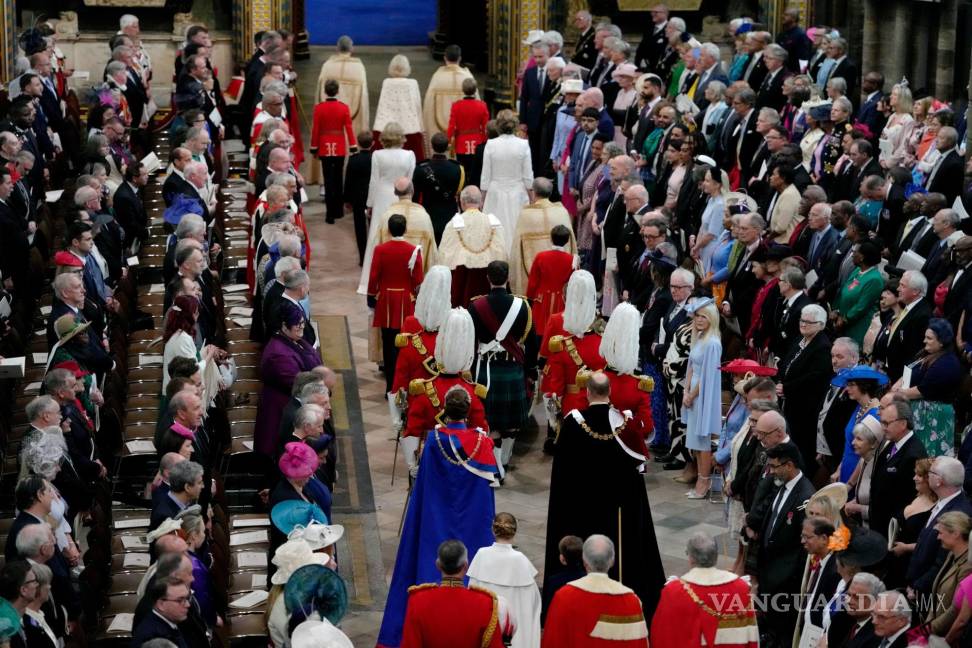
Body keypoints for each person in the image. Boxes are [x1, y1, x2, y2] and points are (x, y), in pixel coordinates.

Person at [377, 388, 499, 648]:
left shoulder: (434, 441)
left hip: (435, 512)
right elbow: (488, 490)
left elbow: (424, 483)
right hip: (472, 517)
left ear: (445, 409)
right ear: (468, 411)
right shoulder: (483, 442)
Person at [543, 372, 665, 618]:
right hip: (618, 510)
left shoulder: (573, 422)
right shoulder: (625, 424)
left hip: (580, 505)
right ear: (610, 393)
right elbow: (636, 471)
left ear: (587, 392)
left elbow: (562, 472)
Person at [401, 307, 488, 475]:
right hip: (462, 464)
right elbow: (481, 433)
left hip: (430, 462)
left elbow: (412, 431)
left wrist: (413, 466)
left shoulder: (423, 393)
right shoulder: (472, 394)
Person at [469, 261, 532, 478]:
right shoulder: (522, 306)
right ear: (508, 278)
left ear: (488, 278)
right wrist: (530, 370)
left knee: (492, 421)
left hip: (485, 369)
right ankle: (503, 460)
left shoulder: (476, 306)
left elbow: (471, 340)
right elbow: (527, 340)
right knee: (511, 422)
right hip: (512, 368)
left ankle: (497, 464)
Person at [650, 532, 758, 648]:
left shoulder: (673, 591)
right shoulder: (740, 588)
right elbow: (751, 635)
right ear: (716, 556)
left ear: (691, 558)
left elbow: (661, 635)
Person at [542, 535, 650, 647]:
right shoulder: (632, 601)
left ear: (584, 561)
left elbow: (552, 641)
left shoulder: (564, 596)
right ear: (612, 561)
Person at [756, 441, 815, 644]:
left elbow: (804, 545)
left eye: (774, 466)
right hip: (770, 573)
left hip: (786, 580)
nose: (771, 472)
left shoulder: (805, 496)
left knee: (782, 632)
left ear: (789, 465)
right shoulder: (782, 486)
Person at [399, 540, 503, 648]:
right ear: (465, 566)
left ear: (438, 565)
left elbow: (410, 644)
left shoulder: (418, 600)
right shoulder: (485, 603)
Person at [254, 302, 321, 457]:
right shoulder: (279, 354)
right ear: (284, 326)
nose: (301, 327)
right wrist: (319, 382)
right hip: (280, 410)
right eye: (296, 325)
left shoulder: (293, 340)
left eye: (302, 323)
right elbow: (297, 383)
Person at [367, 213, 425, 393]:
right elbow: (418, 280)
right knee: (405, 346)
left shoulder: (380, 250)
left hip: (386, 301)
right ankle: (403, 386)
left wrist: (370, 295)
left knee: (388, 344)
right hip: (407, 303)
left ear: (389, 230)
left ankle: (390, 387)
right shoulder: (414, 250)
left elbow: (374, 276)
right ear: (405, 229)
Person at [889, 318, 963, 457]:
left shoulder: (947, 364)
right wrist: (897, 386)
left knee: (927, 456)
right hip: (917, 412)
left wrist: (896, 393)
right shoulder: (927, 353)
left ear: (941, 341)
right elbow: (909, 370)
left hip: (932, 417)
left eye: (929, 338)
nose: (924, 341)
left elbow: (921, 391)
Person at [467, 513, 541, 648]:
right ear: (515, 532)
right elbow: (533, 605)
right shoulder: (520, 560)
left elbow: (471, 596)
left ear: (493, 530)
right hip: (516, 640)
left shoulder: (482, 555)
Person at [777, 304, 832, 474]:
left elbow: (815, 377)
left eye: (809, 321)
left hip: (806, 407)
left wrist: (787, 387)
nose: (803, 324)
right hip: (789, 401)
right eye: (802, 320)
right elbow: (787, 363)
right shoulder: (799, 340)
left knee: (801, 446)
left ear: (821, 325)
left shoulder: (822, 346)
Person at [438, 186, 508, 307]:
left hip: (461, 283)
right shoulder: (494, 223)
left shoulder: (453, 224)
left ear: (462, 202)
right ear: (481, 202)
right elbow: (502, 254)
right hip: (489, 281)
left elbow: (444, 258)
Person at [681, 298, 722, 499]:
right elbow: (691, 366)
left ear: (711, 319)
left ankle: (704, 481)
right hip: (693, 393)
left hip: (704, 394)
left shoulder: (713, 343)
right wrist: (686, 390)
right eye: (697, 315)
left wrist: (692, 394)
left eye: (703, 316)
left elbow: (707, 377)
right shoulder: (699, 338)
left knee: (702, 440)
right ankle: (700, 478)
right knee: (695, 441)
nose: (699, 320)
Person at [871, 398, 928, 539]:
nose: (883, 427)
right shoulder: (893, 442)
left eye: (886, 423)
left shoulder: (914, 454)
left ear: (903, 424)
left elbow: (909, 497)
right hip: (879, 524)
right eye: (882, 422)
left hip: (893, 531)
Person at [510, 178, 575, 294]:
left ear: (533, 192)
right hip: (561, 278)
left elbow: (516, 250)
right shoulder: (562, 212)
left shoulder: (526, 215)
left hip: (534, 280)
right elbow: (572, 246)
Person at [481, 110, 533, 251]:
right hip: (518, 192)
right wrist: (532, 196)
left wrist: (482, 199)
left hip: (495, 192)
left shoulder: (491, 144)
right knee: (516, 228)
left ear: (498, 125)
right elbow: (528, 176)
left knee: (494, 231)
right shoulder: (523, 145)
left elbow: (485, 176)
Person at [310, 78, 356, 224]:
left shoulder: (319, 108)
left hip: (324, 147)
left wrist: (314, 146)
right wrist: (353, 145)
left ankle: (329, 214)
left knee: (328, 181)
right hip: (340, 147)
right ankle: (338, 211)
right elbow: (348, 128)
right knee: (338, 179)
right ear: (337, 91)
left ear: (325, 91)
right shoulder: (344, 107)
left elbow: (316, 129)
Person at [792, 516, 841, 648]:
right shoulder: (820, 561)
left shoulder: (836, 570)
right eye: (802, 536)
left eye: (807, 537)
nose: (802, 541)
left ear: (824, 539)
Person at [523, 224, 575, 342]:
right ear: (567, 241)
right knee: (558, 333)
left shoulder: (541, 257)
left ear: (551, 239)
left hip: (541, 301)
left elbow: (532, 283)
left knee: (538, 334)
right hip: (560, 302)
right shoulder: (571, 260)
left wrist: (530, 299)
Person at [412, 132, 464, 244]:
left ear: (431, 146)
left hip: (428, 216)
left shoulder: (420, 169)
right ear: (448, 146)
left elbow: (415, 197)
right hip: (450, 217)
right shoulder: (458, 169)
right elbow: (460, 194)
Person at [833, 240, 884, 347]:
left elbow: (861, 306)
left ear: (862, 258)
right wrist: (837, 311)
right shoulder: (858, 270)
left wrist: (845, 319)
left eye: (855, 252)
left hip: (856, 328)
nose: (852, 255)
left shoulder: (875, 279)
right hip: (841, 321)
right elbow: (845, 289)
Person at [373, 54, 425, 160]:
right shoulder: (413, 83)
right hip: (410, 129)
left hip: (386, 128)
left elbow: (382, 107)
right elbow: (417, 106)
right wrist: (420, 126)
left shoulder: (386, 82)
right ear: (407, 68)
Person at [315, 36, 369, 137]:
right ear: (352, 49)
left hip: (329, 121)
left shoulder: (327, 66)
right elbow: (363, 98)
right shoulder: (358, 68)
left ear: (337, 48)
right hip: (352, 117)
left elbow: (319, 94)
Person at [368, 122, 417, 228]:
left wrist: (370, 204)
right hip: (402, 196)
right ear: (401, 137)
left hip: (381, 196)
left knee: (380, 228)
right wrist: (410, 198)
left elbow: (374, 181)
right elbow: (410, 181)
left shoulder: (377, 155)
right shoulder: (409, 155)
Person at [422, 44, 474, 141]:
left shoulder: (437, 77)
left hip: (440, 134)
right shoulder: (467, 77)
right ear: (460, 58)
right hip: (464, 133)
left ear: (445, 58)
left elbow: (428, 106)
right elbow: (476, 104)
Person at [843, 421, 884, 528]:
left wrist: (856, 508)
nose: (853, 443)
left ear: (874, 444)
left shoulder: (879, 468)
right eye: (854, 438)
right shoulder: (863, 461)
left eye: (859, 439)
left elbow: (880, 510)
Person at [131, 578, 191, 648]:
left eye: (187, 599)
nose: (188, 604)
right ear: (161, 605)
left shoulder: (169, 622)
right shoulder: (153, 639)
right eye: (180, 601)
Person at [447, 78, 489, 175]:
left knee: (462, 172)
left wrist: (448, 140)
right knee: (477, 171)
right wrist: (485, 141)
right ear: (475, 90)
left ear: (463, 89)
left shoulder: (456, 105)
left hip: (461, 144)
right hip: (478, 143)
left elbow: (452, 126)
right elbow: (486, 127)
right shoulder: (482, 105)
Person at [344, 131, 373, 264]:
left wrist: (347, 200)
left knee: (360, 229)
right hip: (373, 198)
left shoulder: (354, 159)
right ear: (373, 143)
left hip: (357, 198)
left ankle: (363, 258)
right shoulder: (375, 158)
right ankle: (373, 256)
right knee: (373, 227)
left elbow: (348, 180)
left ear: (358, 143)